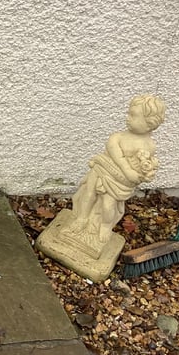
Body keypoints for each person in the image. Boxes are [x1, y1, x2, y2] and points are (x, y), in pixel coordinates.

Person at [69, 95, 166, 259]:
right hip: (102, 170)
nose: (128, 118)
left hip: (119, 184)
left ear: (150, 123)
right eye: (128, 113)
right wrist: (128, 171)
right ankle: (82, 218)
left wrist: (144, 174)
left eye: (133, 115)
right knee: (88, 194)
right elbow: (118, 158)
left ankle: (105, 226)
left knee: (108, 206)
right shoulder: (117, 137)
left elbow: (144, 166)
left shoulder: (150, 146)